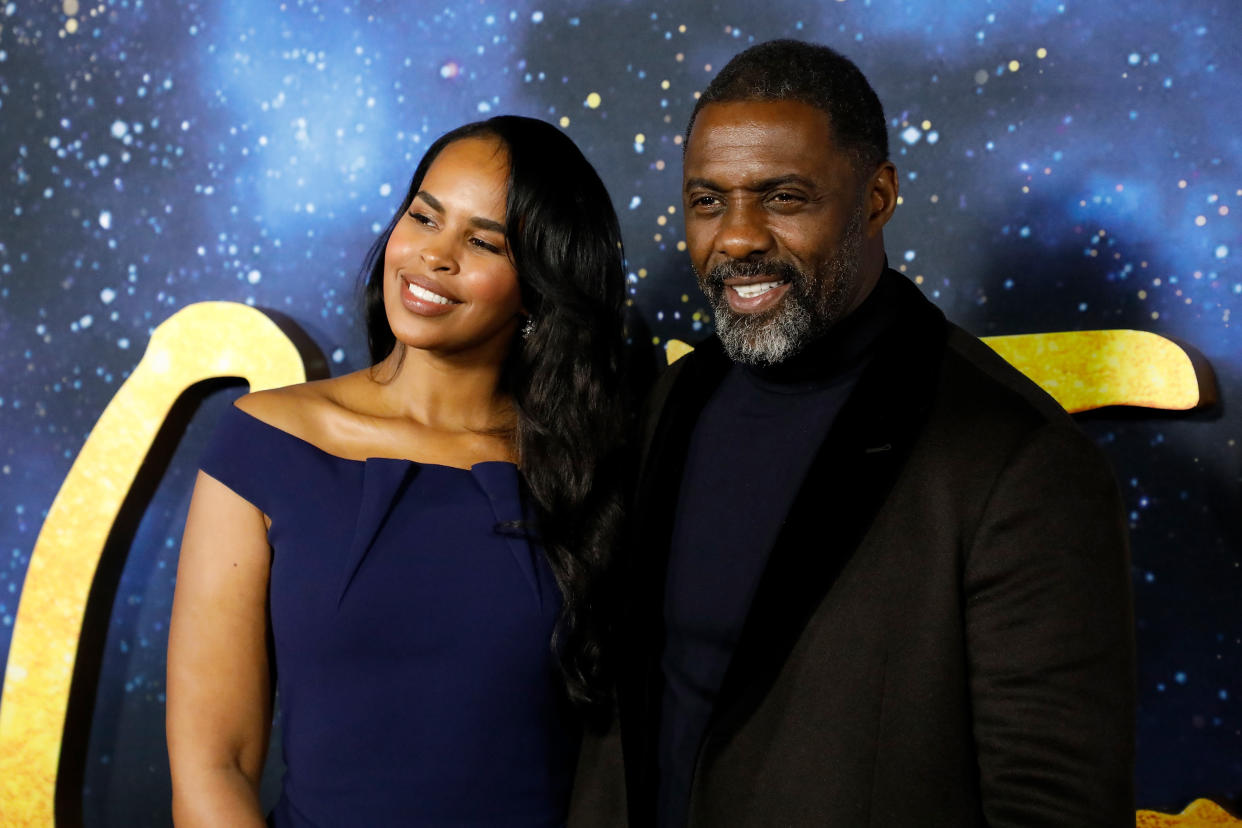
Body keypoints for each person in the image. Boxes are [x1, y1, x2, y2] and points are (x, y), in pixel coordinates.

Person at [569, 40, 1134, 827]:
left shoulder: (1019, 461)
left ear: (877, 198)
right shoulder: (678, 395)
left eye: (783, 197)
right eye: (708, 201)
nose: (736, 238)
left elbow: (1052, 804)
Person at [167, 115, 630, 826]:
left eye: (482, 241)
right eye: (424, 217)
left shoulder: (587, 467)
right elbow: (212, 765)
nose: (433, 257)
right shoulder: (265, 442)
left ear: (538, 289)